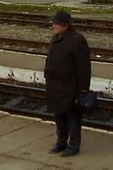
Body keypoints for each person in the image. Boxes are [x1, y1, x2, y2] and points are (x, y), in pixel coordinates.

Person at [44, 10, 91, 157]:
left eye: (56, 24)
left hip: (70, 87)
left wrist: (83, 89)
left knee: (73, 118)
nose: (53, 26)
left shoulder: (77, 40)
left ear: (65, 25)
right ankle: (61, 142)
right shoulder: (57, 37)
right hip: (56, 86)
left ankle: (73, 146)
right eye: (53, 23)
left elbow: (83, 67)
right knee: (59, 116)